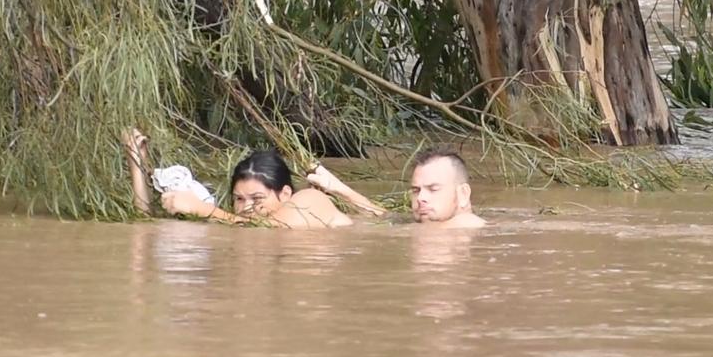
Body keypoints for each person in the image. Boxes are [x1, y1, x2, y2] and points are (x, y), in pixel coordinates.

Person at [122, 128, 352, 229]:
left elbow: (277, 228)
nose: (247, 207)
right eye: (239, 199)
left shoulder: (308, 199)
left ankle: (340, 188)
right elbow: (147, 226)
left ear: (285, 193)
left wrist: (201, 209)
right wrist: (137, 165)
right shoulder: (234, 221)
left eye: (257, 197)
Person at [307, 147, 486, 229]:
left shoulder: (468, 225)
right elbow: (385, 217)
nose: (421, 198)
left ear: (463, 194)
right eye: (416, 190)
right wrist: (336, 187)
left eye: (433, 189)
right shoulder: (435, 225)